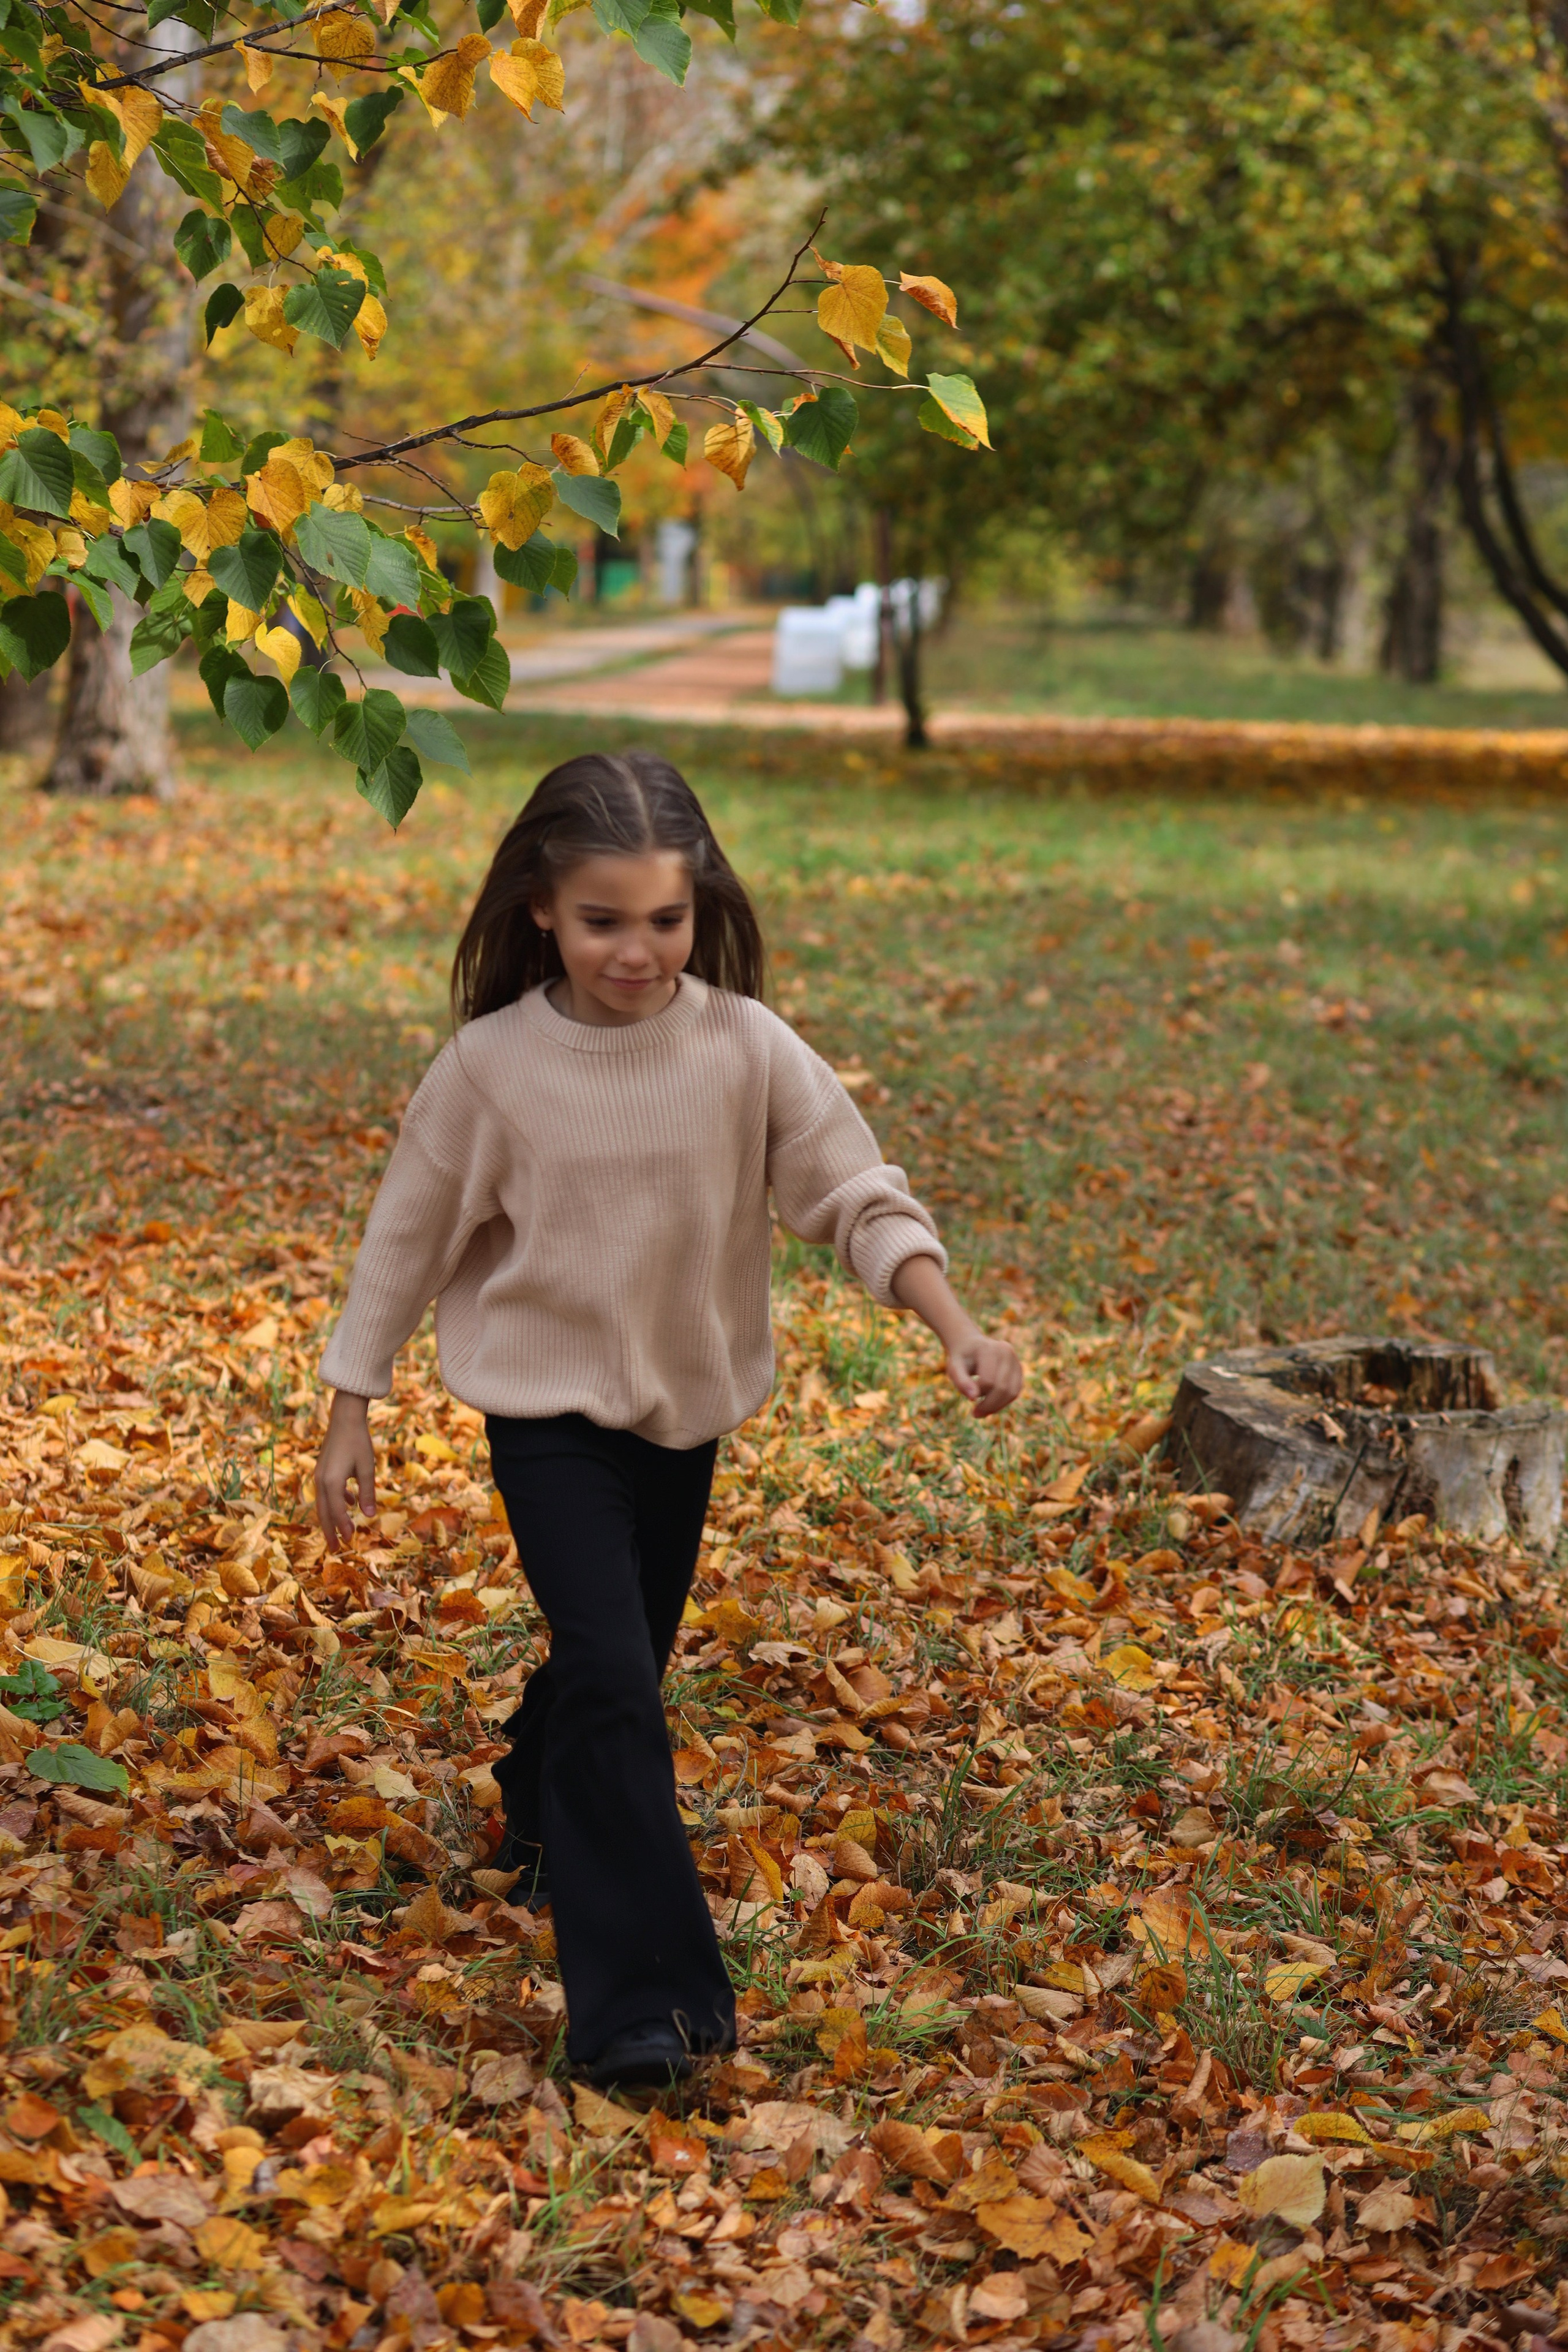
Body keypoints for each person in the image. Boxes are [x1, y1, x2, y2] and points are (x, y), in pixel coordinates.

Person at [312, 750, 1022, 2089]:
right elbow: (405, 1240)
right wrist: (351, 1401)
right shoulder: (491, 1069)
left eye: (664, 918)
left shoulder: (743, 1048)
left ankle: (530, 1803)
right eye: (601, 922)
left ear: (700, 905)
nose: (635, 951)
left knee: (614, 1660)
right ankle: (644, 2010)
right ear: (538, 908)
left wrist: (953, 1325)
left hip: (682, 1414)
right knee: (621, 1683)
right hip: (543, 1416)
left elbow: (855, 1194)